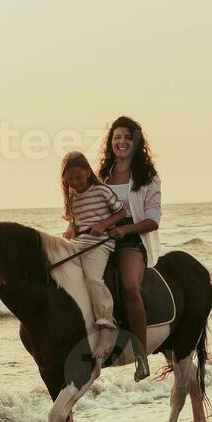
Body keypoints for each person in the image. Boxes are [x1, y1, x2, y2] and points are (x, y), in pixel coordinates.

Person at [98, 116, 162, 382]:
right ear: (110, 142)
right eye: (117, 137)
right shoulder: (101, 176)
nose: (121, 142)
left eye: (126, 137)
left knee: (129, 287)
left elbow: (153, 219)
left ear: (135, 143)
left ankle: (141, 355)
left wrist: (124, 229)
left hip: (130, 241)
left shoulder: (148, 177)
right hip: (101, 240)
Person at [60, 151, 127, 359]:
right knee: (58, 269)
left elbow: (122, 212)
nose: (75, 182)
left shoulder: (101, 191)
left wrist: (104, 224)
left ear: (88, 173)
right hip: (80, 242)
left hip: (100, 243)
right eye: (70, 179)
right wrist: (71, 227)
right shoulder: (72, 197)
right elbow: (75, 220)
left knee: (92, 278)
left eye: (79, 177)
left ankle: (107, 327)